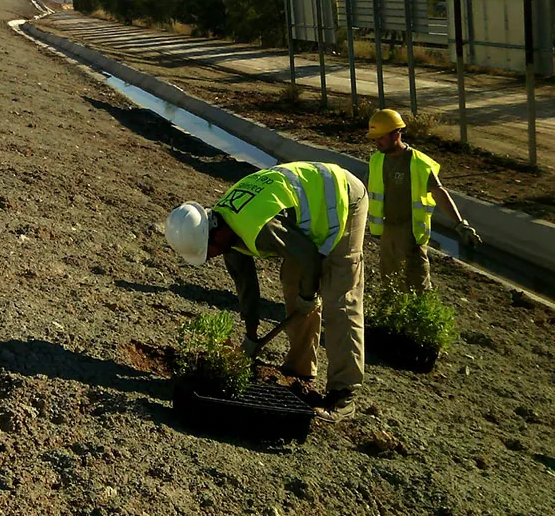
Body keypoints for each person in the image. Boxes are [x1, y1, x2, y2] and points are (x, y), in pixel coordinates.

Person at [165, 161, 367, 424]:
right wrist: (250, 335)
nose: (212, 256)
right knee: (292, 283)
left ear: (214, 234)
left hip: (343, 198)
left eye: (209, 251)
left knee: (339, 299)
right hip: (306, 217)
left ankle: (344, 395)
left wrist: (308, 296)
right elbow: (246, 285)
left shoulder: (259, 228)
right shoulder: (223, 229)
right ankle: (300, 370)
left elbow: (309, 259)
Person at [366, 109, 482, 293]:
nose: (376, 142)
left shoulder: (418, 164)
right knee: (389, 284)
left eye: (381, 137)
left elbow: (439, 193)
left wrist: (460, 225)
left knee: (417, 285)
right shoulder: (376, 160)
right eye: (375, 138)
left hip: (411, 235)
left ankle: (418, 316)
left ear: (396, 134)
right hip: (387, 232)